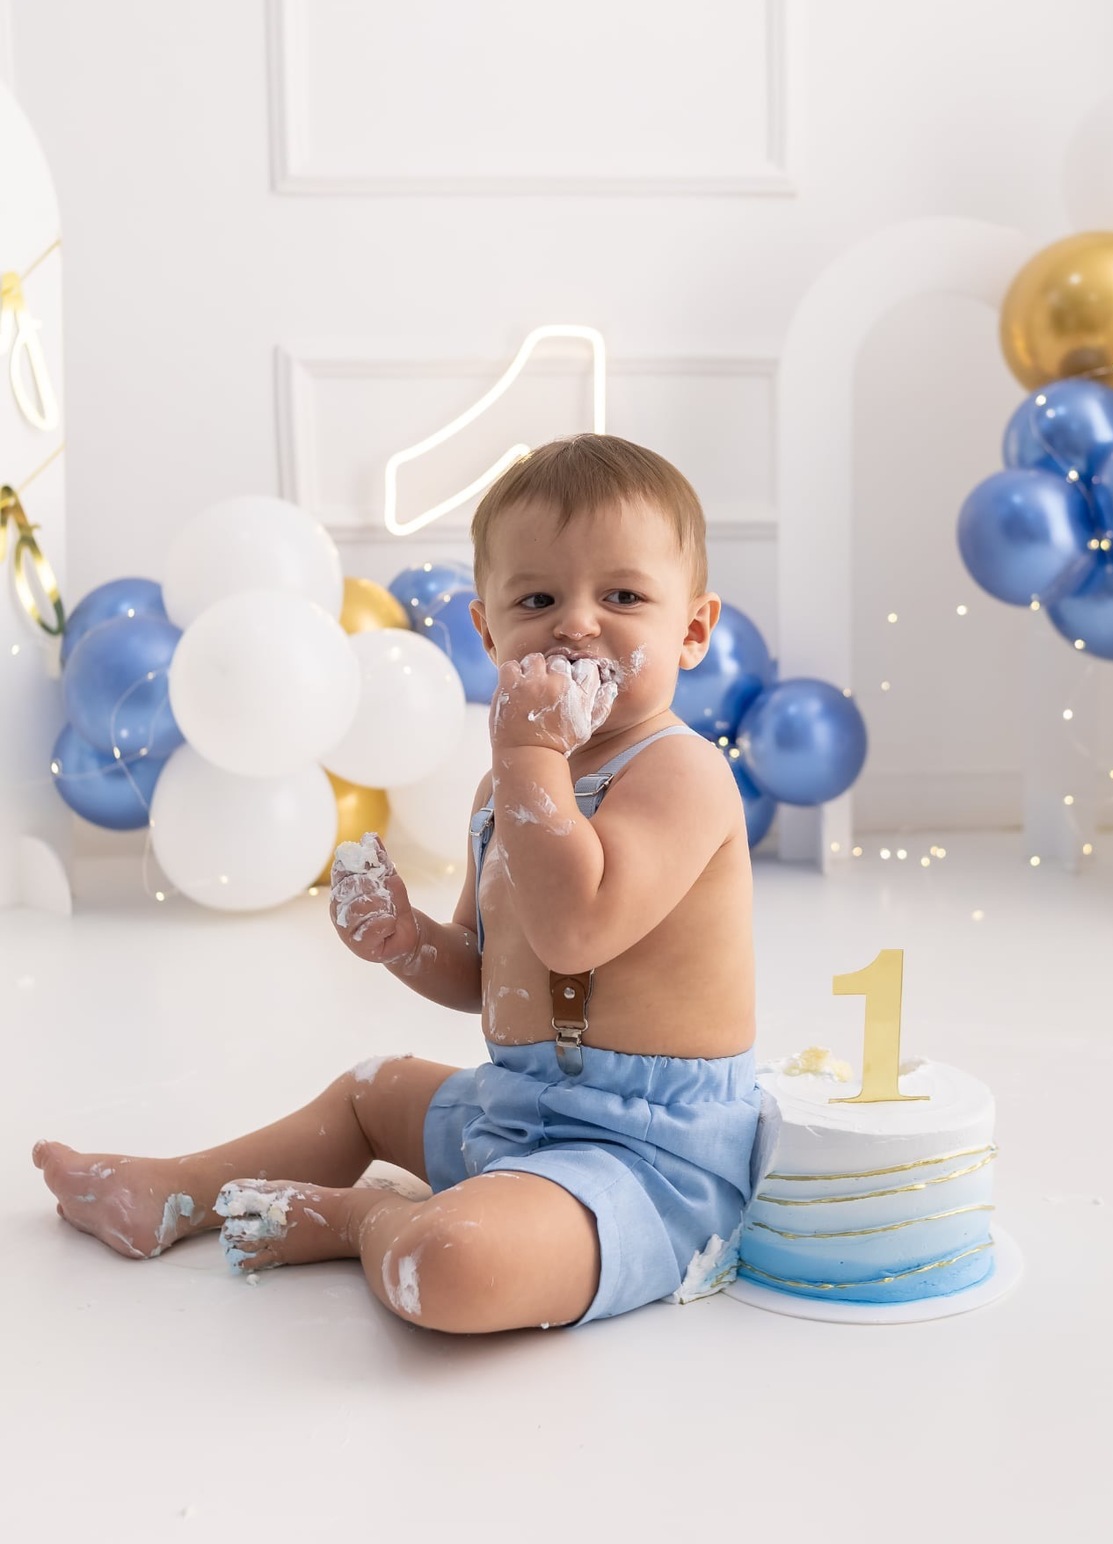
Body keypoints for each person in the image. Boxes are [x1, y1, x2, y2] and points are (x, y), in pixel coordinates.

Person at [32, 434, 770, 1332]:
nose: (577, 623)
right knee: (370, 1088)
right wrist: (410, 941)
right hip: (523, 1108)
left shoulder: (679, 775)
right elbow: (487, 975)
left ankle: (362, 1219)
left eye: (622, 595)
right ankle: (174, 1191)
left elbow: (577, 931)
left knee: (450, 1265)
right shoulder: (506, 786)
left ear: (691, 630)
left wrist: (529, 749)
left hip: (649, 1153)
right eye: (538, 599)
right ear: (489, 632)